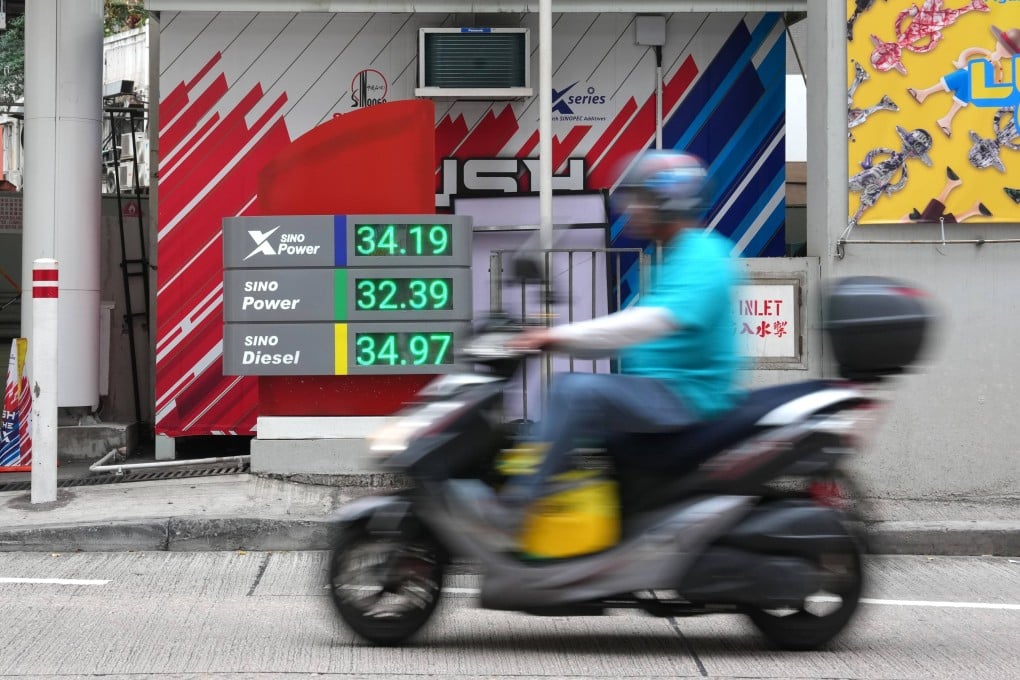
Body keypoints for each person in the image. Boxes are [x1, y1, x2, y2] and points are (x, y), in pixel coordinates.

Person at [451, 150, 744, 536]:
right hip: (662, 389)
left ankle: (515, 508)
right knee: (552, 425)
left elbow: (646, 324)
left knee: (576, 391)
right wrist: (551, 341)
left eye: (641, 198)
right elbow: (624, 337)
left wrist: (556, 337)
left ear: (668, 202)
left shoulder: (701, 256)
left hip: (686, 397)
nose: (631, 209)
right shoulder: (673, 255)